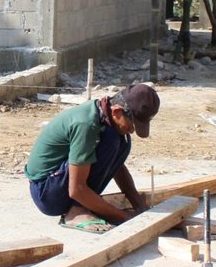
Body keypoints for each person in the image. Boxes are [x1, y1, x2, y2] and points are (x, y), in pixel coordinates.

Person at [26, 83, 159, 234]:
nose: (132, 130)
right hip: (47, 192)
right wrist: (125, 218)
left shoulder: (105, 116)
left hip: (58, 183)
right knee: (112, 139)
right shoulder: (86, 124)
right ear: (116, 111)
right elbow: (76, 189)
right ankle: (77, 211)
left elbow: (117, 168)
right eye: (132, 125)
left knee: (121, 141)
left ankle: (82, 205)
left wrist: (139, 205)